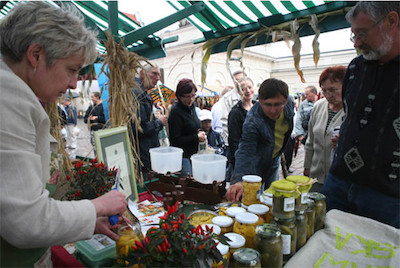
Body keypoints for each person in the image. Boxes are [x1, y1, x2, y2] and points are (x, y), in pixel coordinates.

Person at [0, 2, 127, 266]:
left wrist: (86, 221)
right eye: (71, 69)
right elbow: (26, 221)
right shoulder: (8, 99)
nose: (73, 84)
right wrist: (97, 206)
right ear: (35, 55)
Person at [322, 1, 399, 228]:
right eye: (353, 35)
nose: (357, 43)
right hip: (338, 184)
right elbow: (351, 115)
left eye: (362, 34)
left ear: (392, 21)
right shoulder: (355, 68)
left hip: (389, 198)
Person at [226, 78, 294, 202]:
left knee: (272, 197)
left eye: (277, 104)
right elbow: (246, 150)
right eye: (268, 105)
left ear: (285, 100)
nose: (273, 110)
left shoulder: (290, 103)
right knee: (253, 199)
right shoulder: (252, 121)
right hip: (256, 161)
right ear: (260, 101)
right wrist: (239, 180)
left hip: (275, 157)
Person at [303, 66, 346, 192]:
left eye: (333, 90)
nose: (328, 95)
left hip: (341, 179)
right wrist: (307, 166)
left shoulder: (354, 109)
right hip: (316, 177)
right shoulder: (318, 106)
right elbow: (310, 140)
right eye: (324, 90)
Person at [130, 64, 168, 179]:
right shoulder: (137, 93)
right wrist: (159, 122)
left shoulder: (141, 92)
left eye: (159, 75)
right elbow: (139, 127)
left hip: (145, 155)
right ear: (142, 73)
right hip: (142, 157)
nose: (157, 78)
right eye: (154, 74)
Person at [168, 79, 206, 176]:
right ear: (180, 96)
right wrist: (196, 137)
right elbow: (175, 139)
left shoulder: (191, 107)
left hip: (194, 154)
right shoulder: (176, 112)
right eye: (187, 97)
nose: (191, 100)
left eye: (193, 96)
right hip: (182, 156)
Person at [227, 77, 256, 178]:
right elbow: (233, 140)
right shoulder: (235, 112)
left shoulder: (258, 108)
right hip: (244, 157)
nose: (247, 91)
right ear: (239, 92)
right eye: (243, 89)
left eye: (249, 87)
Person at [219, 70, 246, 145]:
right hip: (233, 142)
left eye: (241, 79)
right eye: (236, 80)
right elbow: (224, 121)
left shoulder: (249, 95)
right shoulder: (227, 98)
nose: (239, 82)